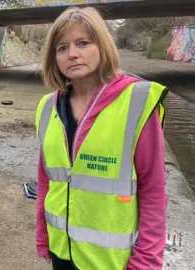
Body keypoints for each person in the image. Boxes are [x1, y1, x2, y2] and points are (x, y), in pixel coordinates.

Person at [35, 6, 168, 270]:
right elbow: (45, 180)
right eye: (61, 48)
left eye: (82, 43)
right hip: (63, 252)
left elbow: (153, 192)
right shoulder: (47, 107)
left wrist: (146, 261)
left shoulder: (136, 103)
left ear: (103, 47)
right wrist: (43, 235)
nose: (72, 53)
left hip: (113, 261)